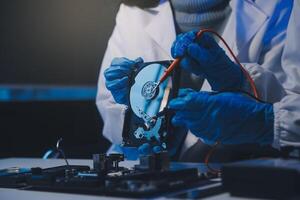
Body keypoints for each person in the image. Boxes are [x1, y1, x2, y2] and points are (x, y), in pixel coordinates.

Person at [96, 0, 299, 160]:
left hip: (235, 171)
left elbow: (286, 104)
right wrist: (137, 116)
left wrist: (236, 82)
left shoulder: (279, 5)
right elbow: (108, 107)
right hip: (143, 171)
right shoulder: (133, 11)